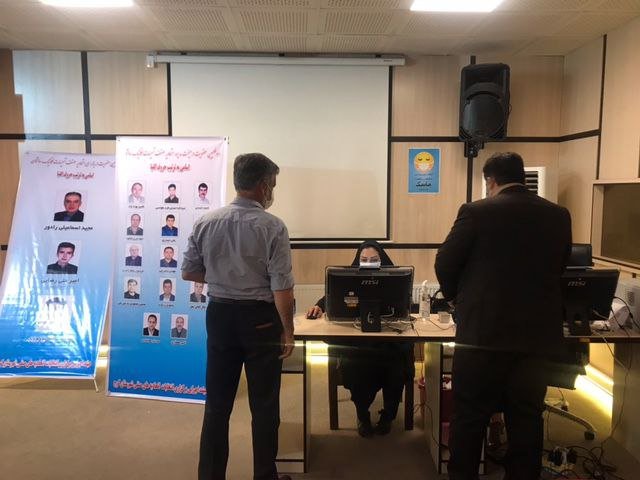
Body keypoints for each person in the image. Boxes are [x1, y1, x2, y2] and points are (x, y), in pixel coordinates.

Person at [434, 152, 572, 480]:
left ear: (491, 181)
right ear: (522, 177)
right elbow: (562, 266)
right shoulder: (558, 215)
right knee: (527, 420)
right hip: (536, 341)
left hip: (482, 338)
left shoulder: (475, 212)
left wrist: (455, 299)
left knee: (470, 419)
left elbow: (445, 262)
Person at [182, 152, 295, 480]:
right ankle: (265, 476)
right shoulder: (273, 226)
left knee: (217, 405)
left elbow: (188, 271)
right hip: (260, 319)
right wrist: (288, 330)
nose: (272, 192)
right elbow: (282, 287)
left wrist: (223, 275)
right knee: (264, 405)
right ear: (263, 186)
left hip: (219, 315)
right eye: (272, 185)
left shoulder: (206, 221)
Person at [306, 240, 414, 437]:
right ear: (358, 260)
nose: (368, 263)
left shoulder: (394, 279)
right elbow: (332, 297)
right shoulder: (350, 278)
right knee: (357, 367)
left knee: (397, 367)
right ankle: (362, 414)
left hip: (388, 341)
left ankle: (388, 416)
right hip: (359, 345)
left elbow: (405, 304)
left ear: (382, 260)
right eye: (364, 260)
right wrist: (318, 306)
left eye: (374, 260)